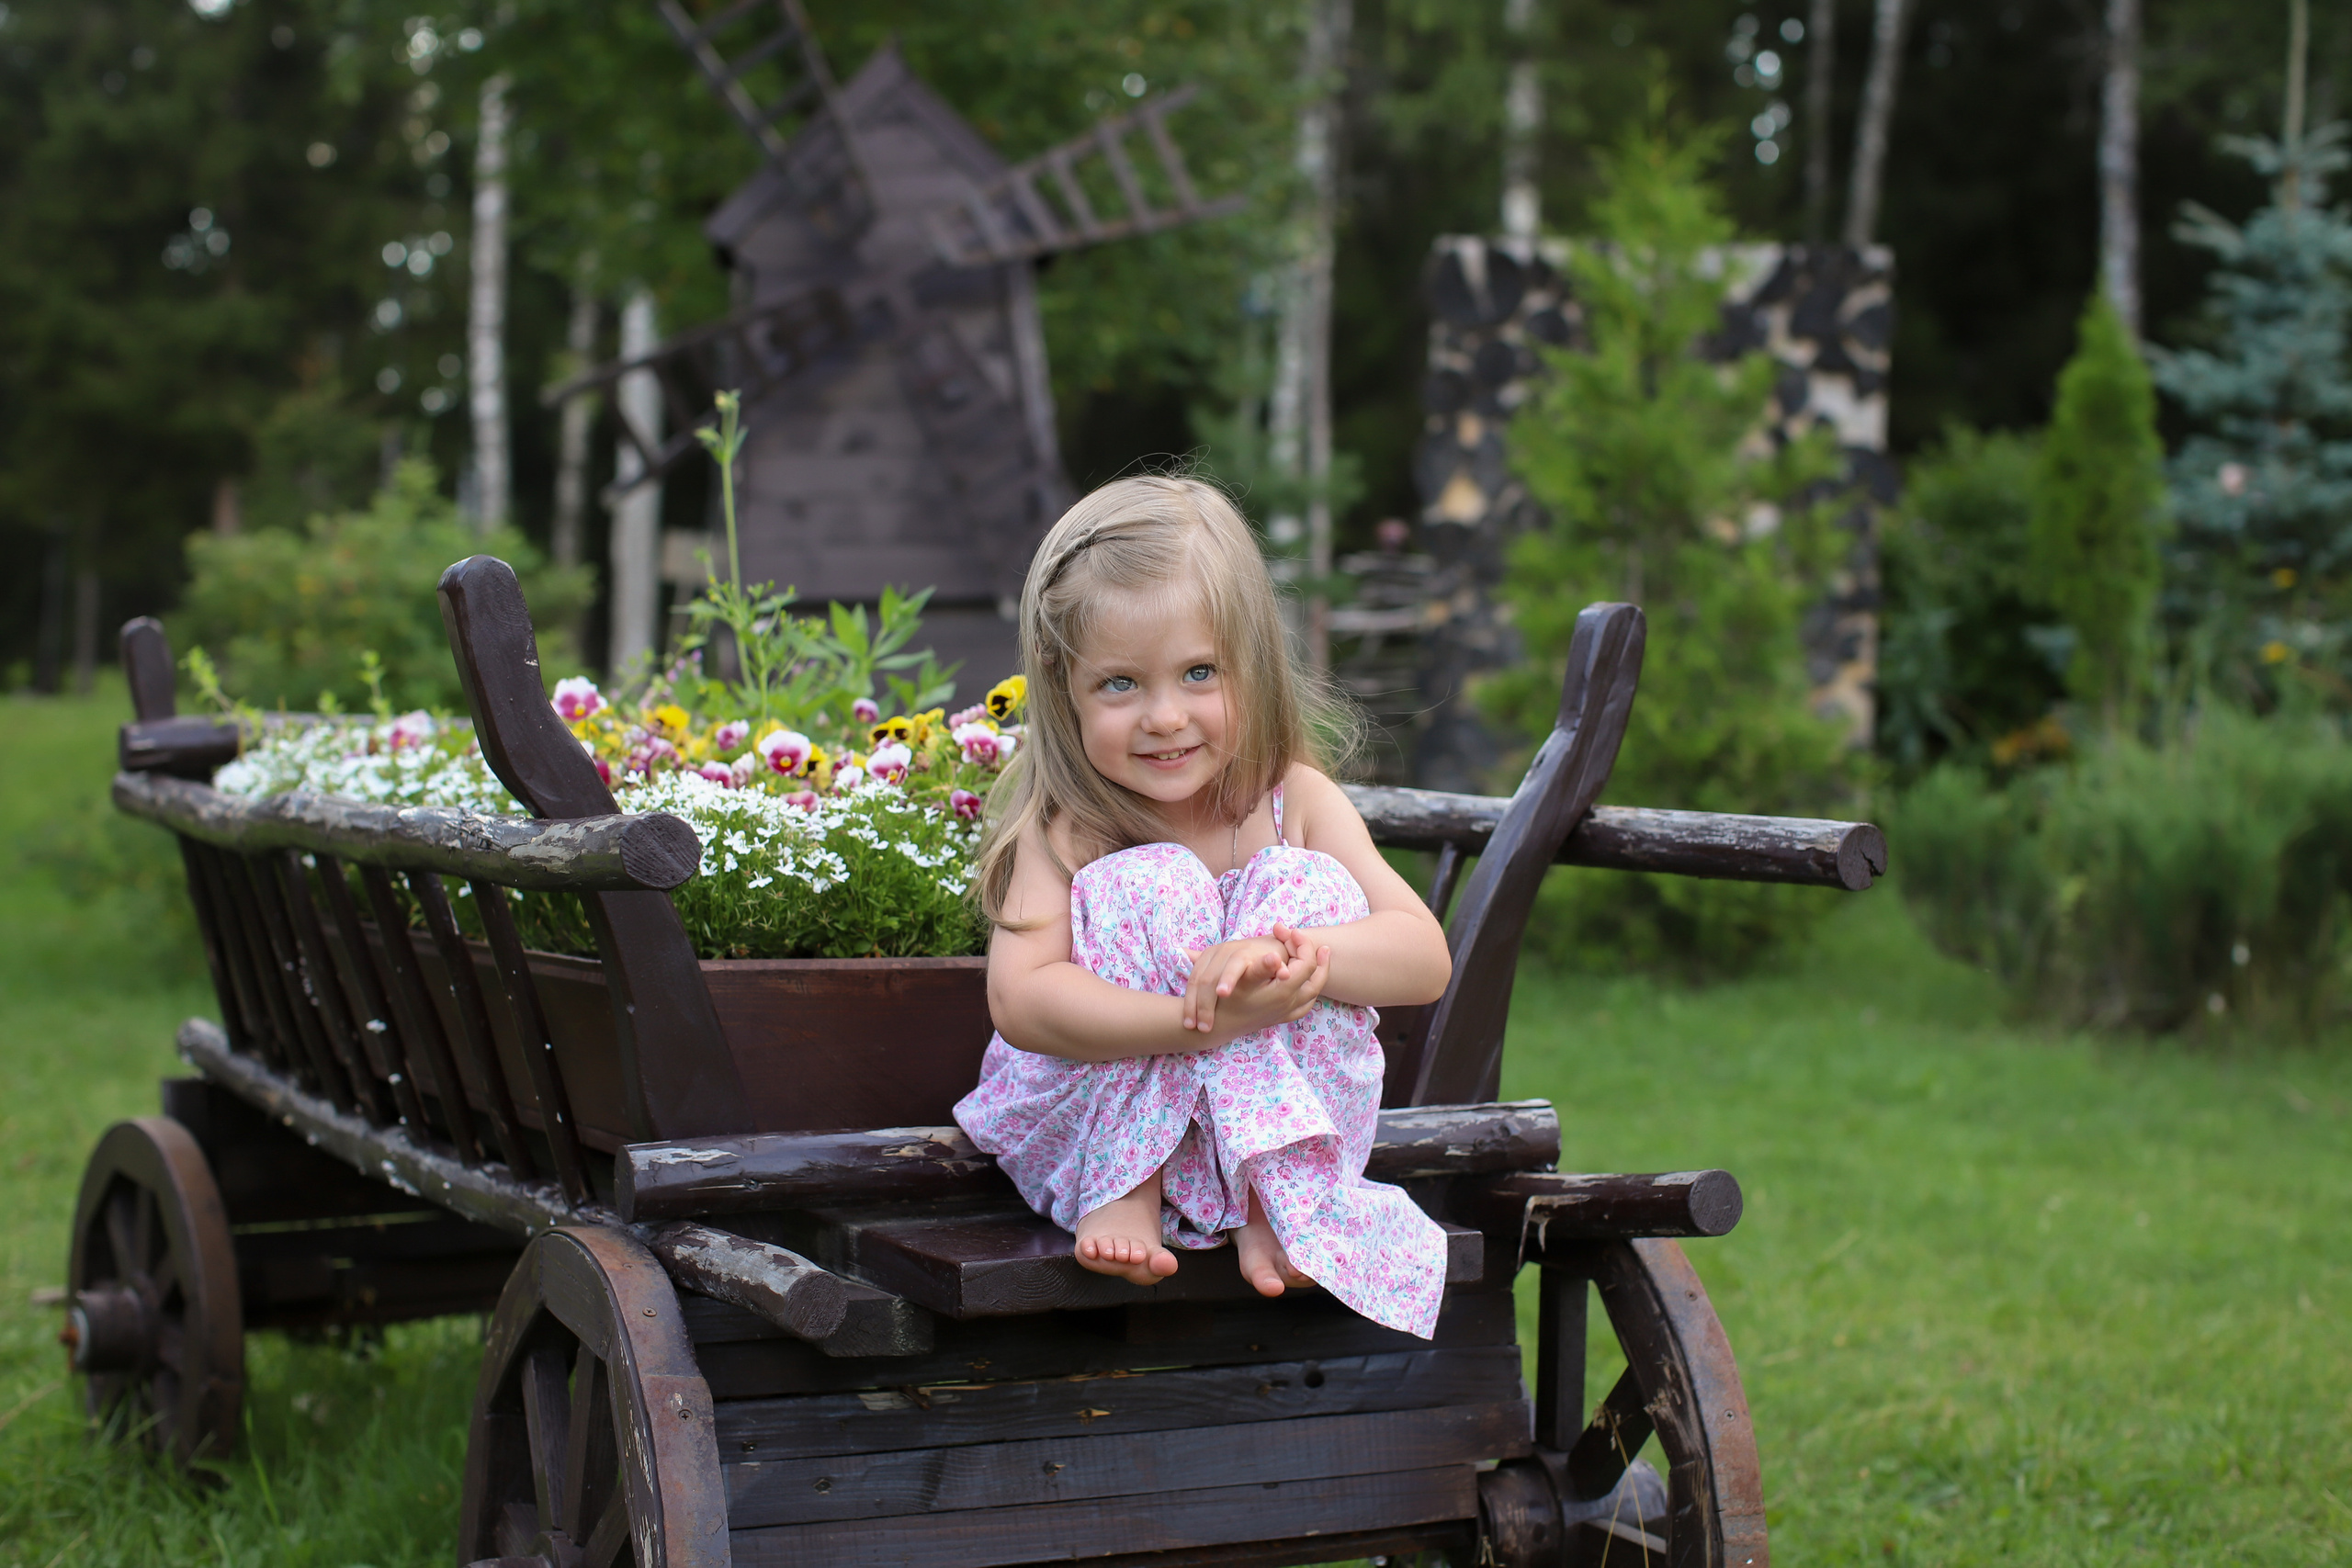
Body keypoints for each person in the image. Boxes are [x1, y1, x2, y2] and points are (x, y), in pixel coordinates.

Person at [953, 476, 1454, 1338]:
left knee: (1308, 892)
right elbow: (1022, 1000)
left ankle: (1281, 1194)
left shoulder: (1290, 797)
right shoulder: (1067, 828)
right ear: (1061, 688)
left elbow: (1422, 956)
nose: (1164, 716)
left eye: (1198, 672)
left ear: (1251, 664)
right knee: (1154, 882)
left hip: (1251, 1140)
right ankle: (1125, 1186)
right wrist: (1197, 1021)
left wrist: (1291, 959)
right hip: (1089, 1127)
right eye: (1119, 684)